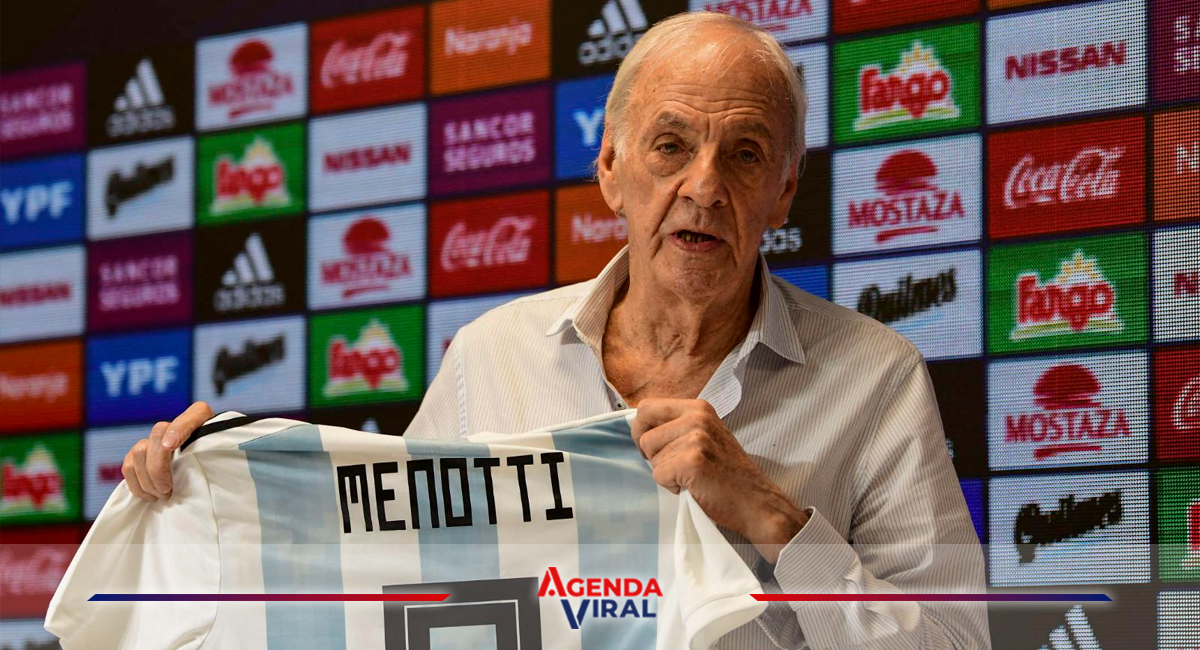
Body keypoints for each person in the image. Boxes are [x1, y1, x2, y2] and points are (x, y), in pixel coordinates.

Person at [120, 12, 989, 649]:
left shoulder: (876, 379)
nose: (704, 187)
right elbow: (371, 576)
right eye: (670, 146)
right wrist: (203, 498)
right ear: (609, 168)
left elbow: (957, 642)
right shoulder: (492, 356)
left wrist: (774, 520)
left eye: (746, 154)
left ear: (784, 192)